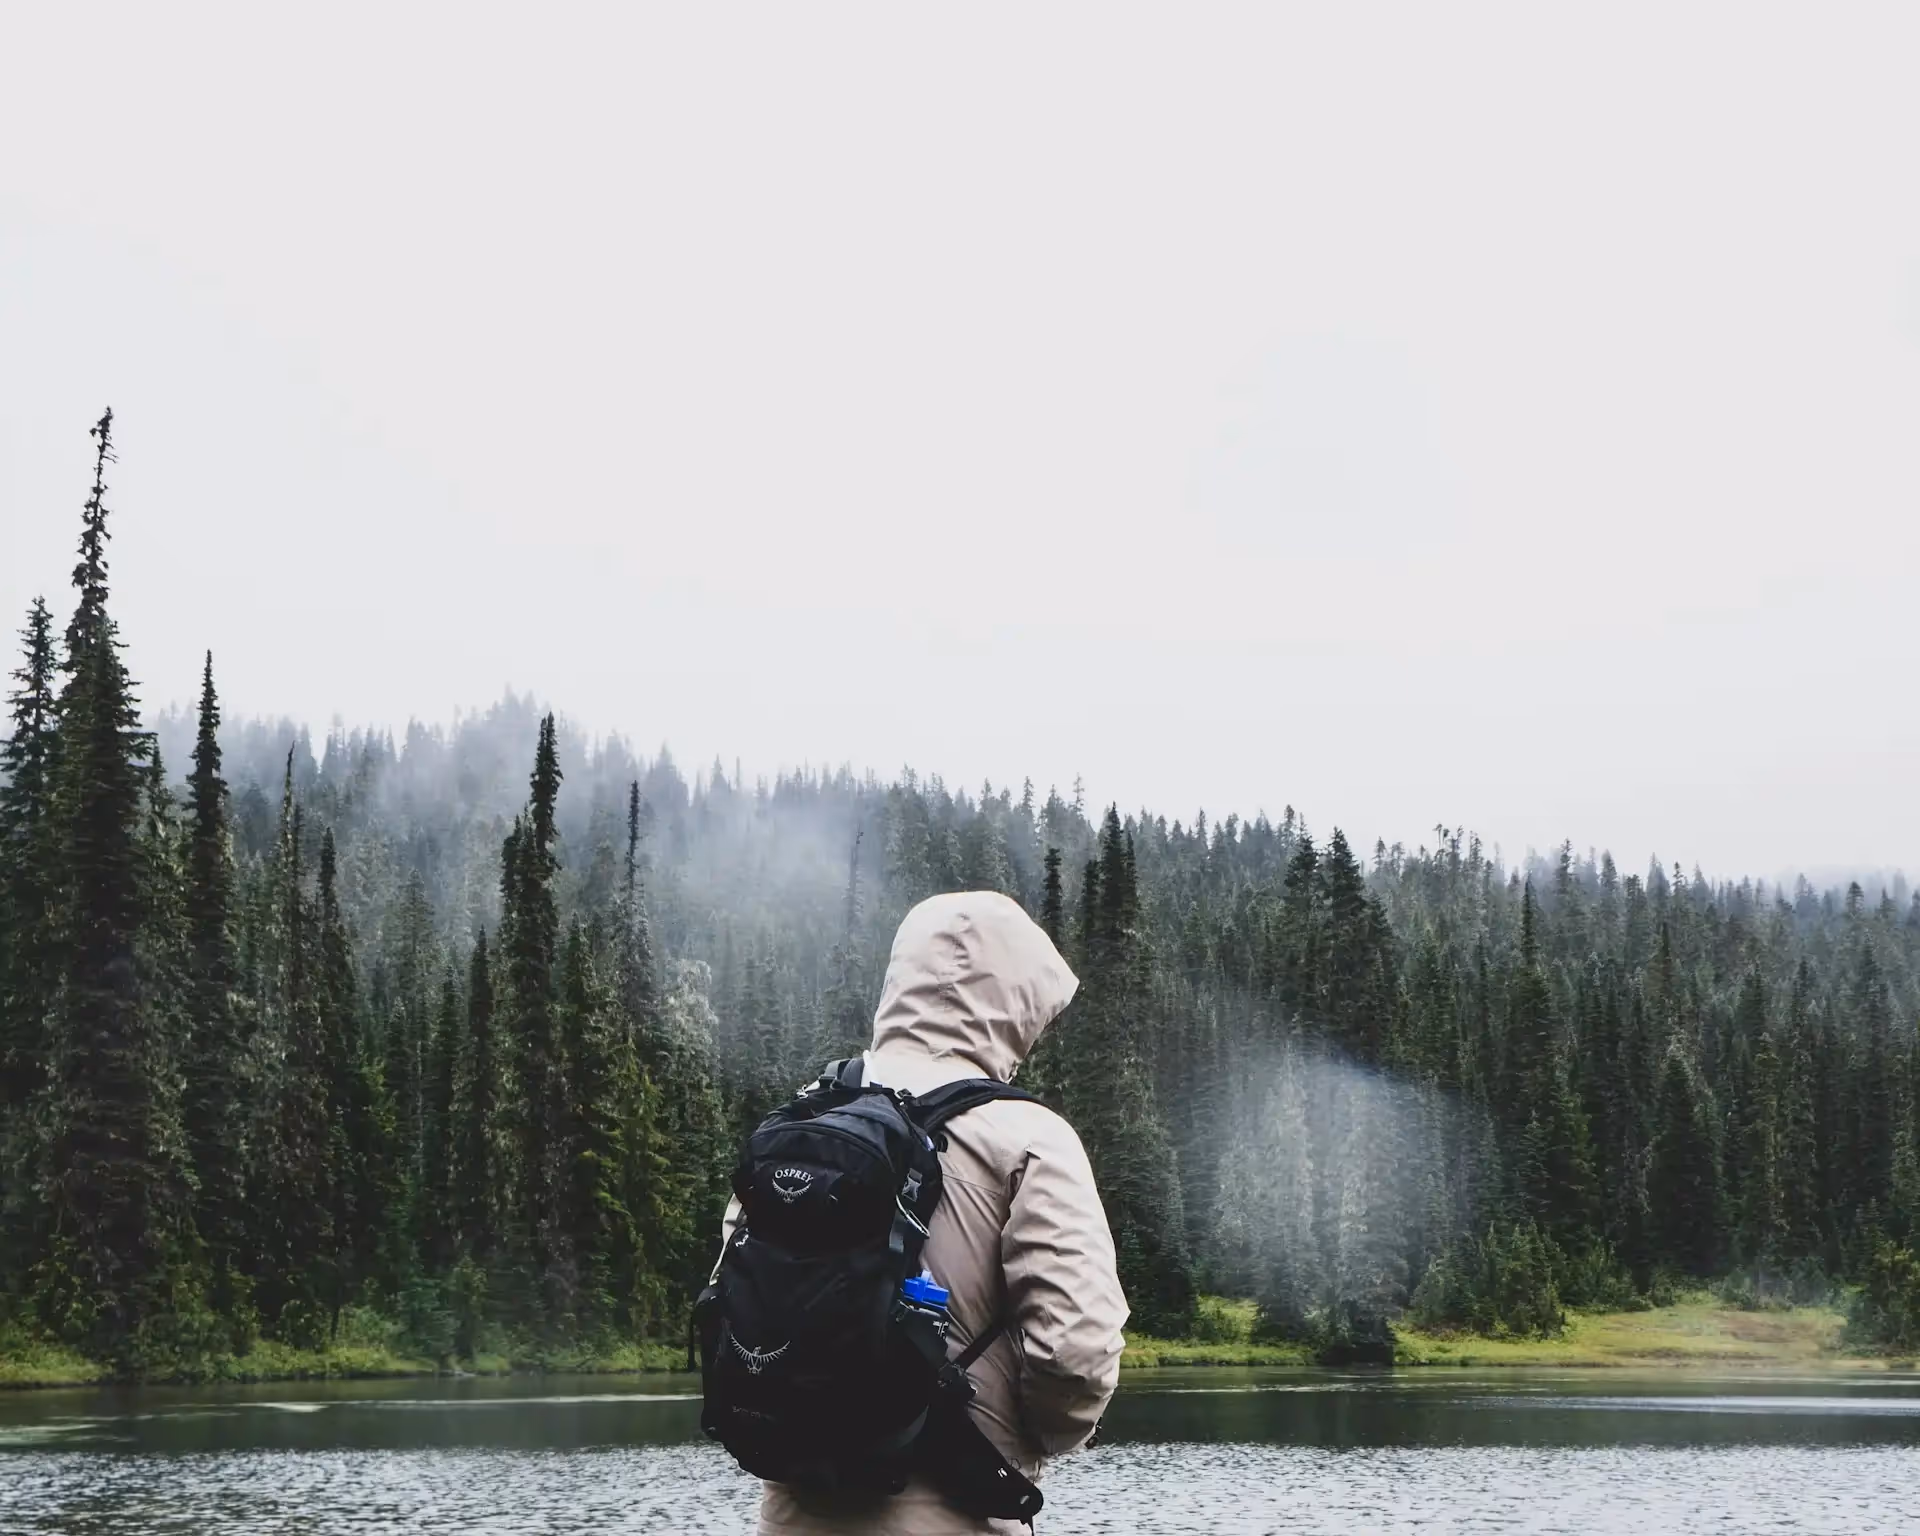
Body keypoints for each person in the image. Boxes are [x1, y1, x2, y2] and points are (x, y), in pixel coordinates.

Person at [718, 890, 1129, 1536]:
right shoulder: (1030, 1137)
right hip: (954, 1513)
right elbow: (1075, 1353)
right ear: (1016, 1001)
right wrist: (1043, 1439)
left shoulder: (806, 1116)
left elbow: (732, 1289)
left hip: (791, 1513)